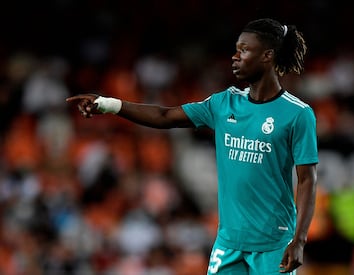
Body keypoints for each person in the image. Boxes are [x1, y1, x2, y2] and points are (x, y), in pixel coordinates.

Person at [67, 17, 318, 275]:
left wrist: (298, 240)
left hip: (273, 245)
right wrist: (108, 104)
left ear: (268, 56)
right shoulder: (224, 103)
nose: (235, 56)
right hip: (229, 243)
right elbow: (165, 116)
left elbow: (307, 180)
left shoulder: (297, 114)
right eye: (236, 49)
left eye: (244, 50)